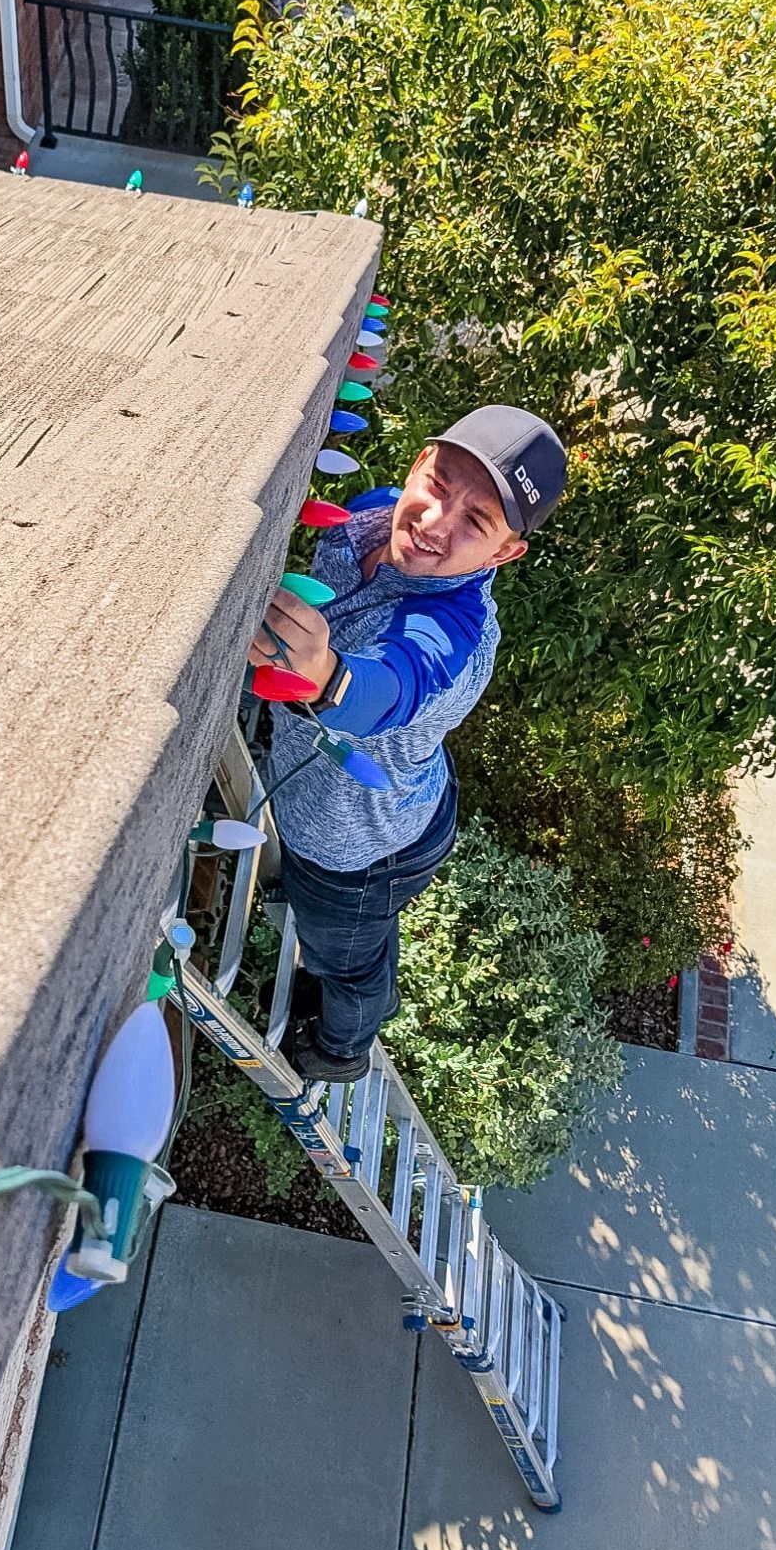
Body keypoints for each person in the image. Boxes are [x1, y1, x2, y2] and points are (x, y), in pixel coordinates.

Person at [248, 404, 567, 1081]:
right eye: (438, 485)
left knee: (346, 961)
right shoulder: (373, 511)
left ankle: (341, 1050)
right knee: (344, 935)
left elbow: (388, 687)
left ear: (506, 552)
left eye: (475, 523)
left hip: (359, 852)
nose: (432, 522)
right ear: (419, 462)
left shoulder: (454, 632)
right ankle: (345, 949)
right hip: (395, 804)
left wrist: (326, 676)